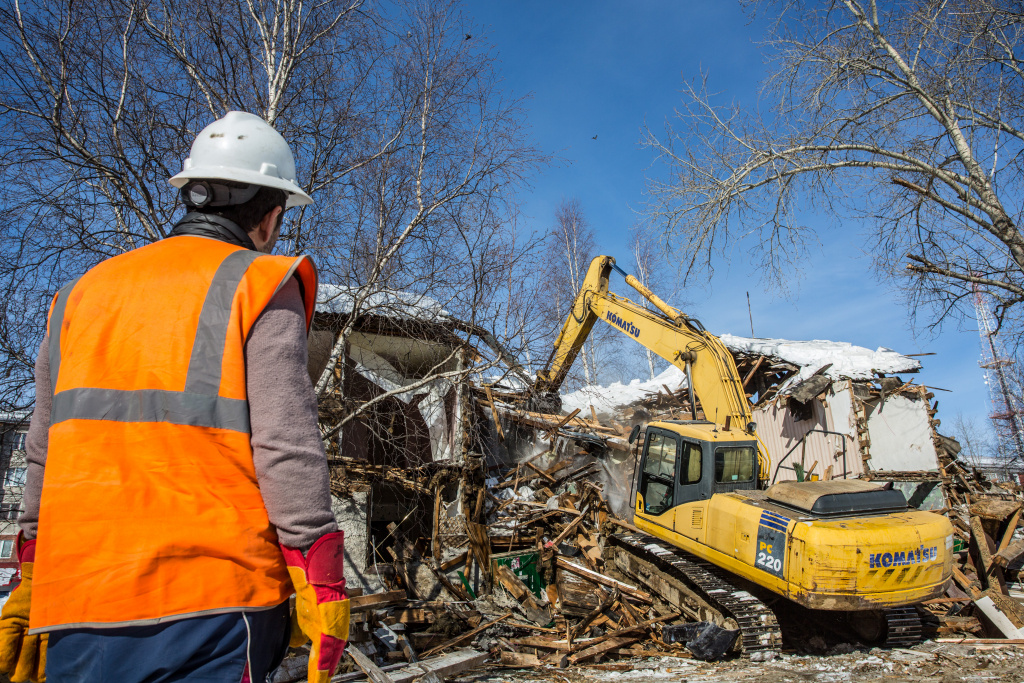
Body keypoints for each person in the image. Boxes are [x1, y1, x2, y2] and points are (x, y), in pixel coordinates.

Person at [0, 111, 349, 683]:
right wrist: (321, 575)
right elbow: (286, 443)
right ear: (272, 216)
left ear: (192, 196)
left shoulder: (80, 294)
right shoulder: (260, 284)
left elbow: (43, 447)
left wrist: (32, 570)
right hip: (211, 601)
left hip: (75, 602)